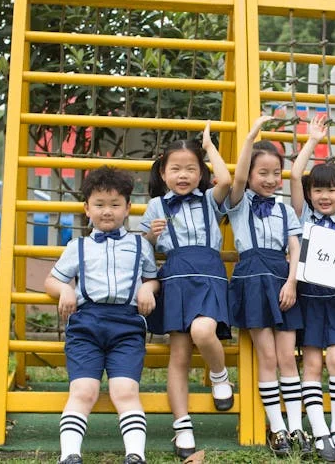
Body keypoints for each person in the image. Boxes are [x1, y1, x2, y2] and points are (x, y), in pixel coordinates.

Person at [45, 166, 159, 464]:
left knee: (126, 390)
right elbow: (52, 280)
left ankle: (135, 455)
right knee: (83, 390)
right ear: (87, 208)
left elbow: (152, 278)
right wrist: (65, 290)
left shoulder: (140, 245)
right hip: (86, 326)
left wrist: (148, 288)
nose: (107, 211)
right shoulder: (77, 247)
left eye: (115, 204)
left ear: (127, 208)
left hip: (127, 326)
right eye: (99, 204)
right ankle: (70, 455)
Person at [139, 122, 233, 459]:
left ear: (201, 173)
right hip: (176, 278)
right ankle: (182, 427)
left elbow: (227, 181)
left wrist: (209, 147)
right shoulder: (155, 207)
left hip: (209, 276)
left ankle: (220, 375)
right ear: (163, 173)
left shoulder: (209, 199)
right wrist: (151, 236)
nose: (183, 175)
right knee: (178, 356)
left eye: (191, 169)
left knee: (203, 331)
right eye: (175, 169)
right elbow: (143, 250)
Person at [225, 115, 310, 456]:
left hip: (282, 279)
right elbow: (238, 176)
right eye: (263, 173)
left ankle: (297, 427)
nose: (271, 179)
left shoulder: (285, 210)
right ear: (250, 175)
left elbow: (295, 247)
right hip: (252, 280)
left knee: (288, 356)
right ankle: (277, 428)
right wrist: (250, 136)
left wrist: (291, 283)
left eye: (276, 173)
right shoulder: (238, 202)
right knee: (268, 357)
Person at [290, 114, 335, 462]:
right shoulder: (303, 218)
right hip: (309, 301)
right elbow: (294, 176)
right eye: (317, 189)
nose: (324, 195)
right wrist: (313, 141)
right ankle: (320, 433)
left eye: (332, 189)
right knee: (313, 366)